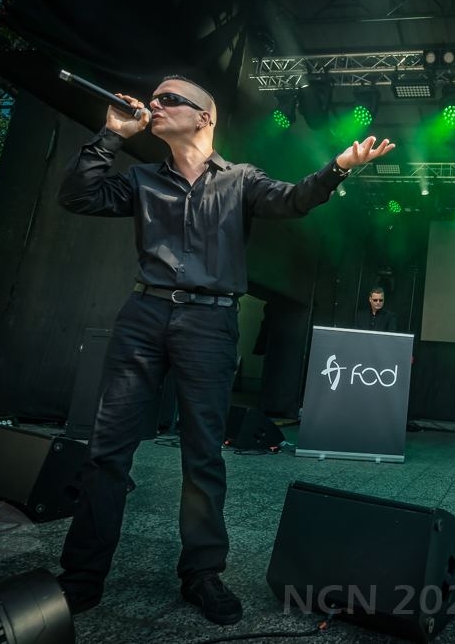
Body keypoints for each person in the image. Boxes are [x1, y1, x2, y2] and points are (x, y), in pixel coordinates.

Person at [55, 74, 394, 626]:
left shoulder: (240, 180)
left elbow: (294, 200)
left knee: (203, 454)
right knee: (107, 450)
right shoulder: (142, 179)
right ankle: (81, 578)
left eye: (169, 99)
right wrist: (111, 135)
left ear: (204, 116)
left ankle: (202, 573)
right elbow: (77, 195)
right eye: (154, 99)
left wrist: (338, 168)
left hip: (210, 323)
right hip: (144, 315)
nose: (155, 104)